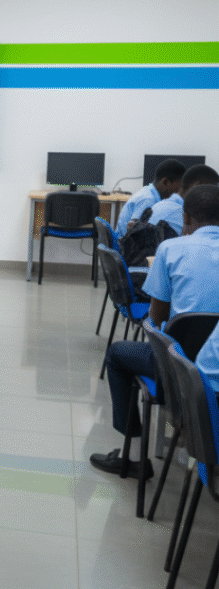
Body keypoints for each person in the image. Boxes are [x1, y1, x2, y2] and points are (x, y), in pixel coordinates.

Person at [90, 184, 219, 479]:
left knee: (117, 354)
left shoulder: (171, 248)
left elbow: (157, 319)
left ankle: (132, 455)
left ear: (185, 219)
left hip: (178, 373)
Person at [117, 158, 186, 233]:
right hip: (124, 243)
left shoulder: (150, 192)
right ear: (165, 182)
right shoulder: (148, 200)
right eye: (179, 188)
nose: (178, 192)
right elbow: (134, 231)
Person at [146, 163, 218, 235]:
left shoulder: (161, 205)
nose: (214, 197)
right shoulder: (179, 213)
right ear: (197, 186)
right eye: (210, 190)